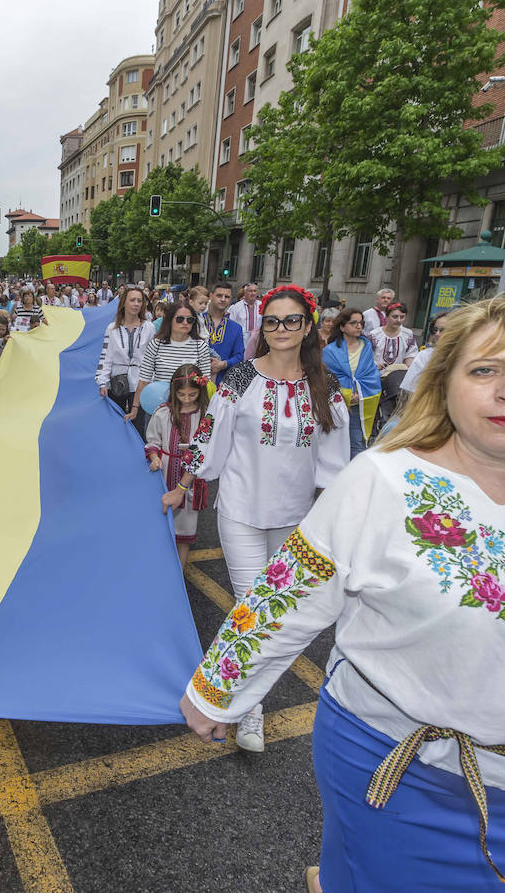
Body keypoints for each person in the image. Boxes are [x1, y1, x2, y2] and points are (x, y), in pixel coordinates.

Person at [178, 290, 505, 893]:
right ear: (446, 384)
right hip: (386, 757)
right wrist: (218, 692)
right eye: (485, 370)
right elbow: (286, 595)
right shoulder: (381, 479)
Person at [165, 285, 348, 754]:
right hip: (242, 512)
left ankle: (245, 700)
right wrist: (183, 486)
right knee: (251, 612)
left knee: (280, 618)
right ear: (261, 327)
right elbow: (209, 442)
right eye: (272, 321)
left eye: (290, 321)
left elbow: (334, 465)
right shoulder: (237, 379)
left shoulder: (325, 386)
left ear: (307, 326)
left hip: (296, 521)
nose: (281, 329)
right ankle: (248, 712)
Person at [145, 364, 211, 569]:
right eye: (182, 394)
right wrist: (154, 457)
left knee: (184, 536)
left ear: (200, 392)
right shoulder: (163, 413)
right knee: (161, 532)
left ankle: (179, 576)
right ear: (174, 392)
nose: (187, 399)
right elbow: (152, 442)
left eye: (192, 394)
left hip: (190, 483)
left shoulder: (205, 416)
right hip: (163, 478)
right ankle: (159, 573)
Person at [131, 298, 212, 424]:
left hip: (190, 410)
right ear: (170, 320)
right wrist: (135, 407)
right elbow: (144, 380)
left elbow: (205, 382)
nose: (185, 323)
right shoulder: (156, 344)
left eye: (190, 320)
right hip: (159, 409)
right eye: (180, 319)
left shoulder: (200, 346)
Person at [322, 308, 381, 458]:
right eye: (353, 323)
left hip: (359, 404)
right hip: (335, 405)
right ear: (342, 327)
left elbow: (371, 375)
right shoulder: (330, 351)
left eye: (361, 323)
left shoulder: (366, 347)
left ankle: (355, 477)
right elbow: (326, 378)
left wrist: (359, 394)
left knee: (356, 444)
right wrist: (345, 394)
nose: (359, 326)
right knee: (333, 442)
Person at [96, 286, 157, 420]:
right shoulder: (112, 328)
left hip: (141, 382)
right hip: (118, 382)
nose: (136, 304)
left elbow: (153, 357)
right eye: (132, 300)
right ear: (124, 302)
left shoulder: (149, 328)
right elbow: (106, 356)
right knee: (116, 421)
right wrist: (103, 382)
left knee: (139, 424)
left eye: (139, 301)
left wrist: (152, 380)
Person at [202, 281, 245, 385]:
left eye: (227, 297)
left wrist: (224, 364)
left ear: (230, 299)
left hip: (222, 384)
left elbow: (239, 356)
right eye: (219, 295)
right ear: (211, 296)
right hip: (193, 383)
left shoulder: (236, 328)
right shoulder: (196, 321)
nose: (223, 299)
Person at [400, 311, 451, 398]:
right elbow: (409, 390)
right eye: (435, 330)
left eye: (443, 330)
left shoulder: (465, 357)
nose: (437, 334)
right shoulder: (424, 356)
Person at [368, 302, 419, 369]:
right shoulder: (374, 335)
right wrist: (375, 365)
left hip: (398, 375)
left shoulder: (408, 334)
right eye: (395, 317)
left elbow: (411, 354)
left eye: (402, 317)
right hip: (375, 374)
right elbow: (367, 356)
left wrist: (408, 366)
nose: (398, 320)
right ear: (386, 316)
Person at [226, 283, 261, 352]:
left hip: (258, 341)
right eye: (250, 291)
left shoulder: (261, 305)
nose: (253, 293)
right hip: (241, 342)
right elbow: (231, 325)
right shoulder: (236, 307)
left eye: (255, 291)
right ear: (245, 293)